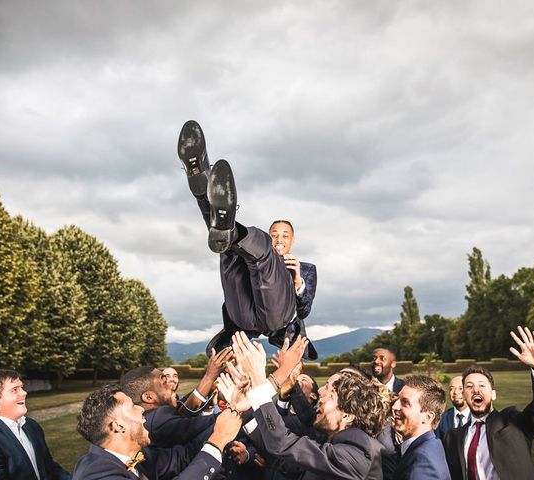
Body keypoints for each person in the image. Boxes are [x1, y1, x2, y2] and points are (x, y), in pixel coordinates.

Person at [177, 120, 318, 359]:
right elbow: (257, 248)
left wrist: (296, 281)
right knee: (231, 249)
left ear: (293, 241)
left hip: (276, 317)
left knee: (254, 250)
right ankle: (201, 179)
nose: (279, 239)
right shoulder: (261, 246)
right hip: (241, 316)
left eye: (284, 235)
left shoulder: (306, 270)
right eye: (274, 234)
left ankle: (207, 199)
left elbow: (303, 311)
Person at [226, 331, 391, 480]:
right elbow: (290, 464)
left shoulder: (360, 452)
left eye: (330, 393)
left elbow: (283, 444)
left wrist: (259, 382)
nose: (320, 391)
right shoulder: (337, 444)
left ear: (347, 415)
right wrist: (244, 408)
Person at [443, 326, 534, 480]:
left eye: (482, 385)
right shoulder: (453, 437)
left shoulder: (512, 421)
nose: (476, 390)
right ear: (464, 395)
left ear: (493, 394)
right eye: (469, 386)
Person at [72, 384, 242, 480]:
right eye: (132, 406)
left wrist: (238, 409)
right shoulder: (96, 474)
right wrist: (218, 441)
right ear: (118, 426)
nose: (140, 409)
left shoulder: (137, 456)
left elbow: (186, 454)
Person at [120, 366, 216, 447]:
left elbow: (183, 404)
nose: (170, 385)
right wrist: (210, 376)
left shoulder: (148, 416)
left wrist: (211, 381)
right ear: (149, 397)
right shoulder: (158, 418)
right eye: (164, 382)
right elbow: (203, 423)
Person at [391, 375, 450, 479]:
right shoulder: (429, 446)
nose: (394, 406)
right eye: (397, 399)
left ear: (428, 417)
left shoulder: (423, 463)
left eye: (405, 403)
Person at [434, 375, 470, 440]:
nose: (455, 392)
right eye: (451, 389)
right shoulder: (442, 418)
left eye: (460, 388)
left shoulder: (479, 417)